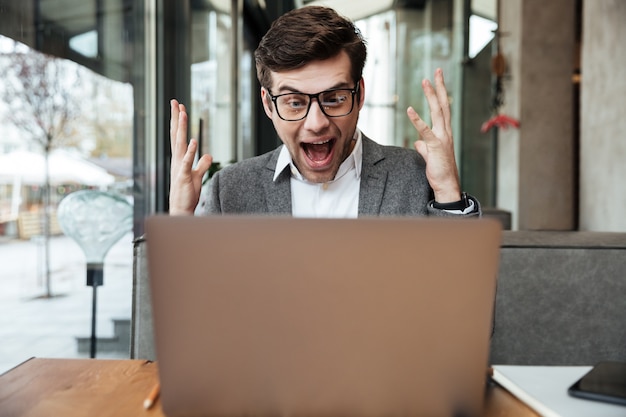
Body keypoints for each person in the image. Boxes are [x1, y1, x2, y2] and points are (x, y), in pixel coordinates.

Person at [169, 5, 480, 218]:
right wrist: (180, 223)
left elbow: (468, 306)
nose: (316, 123)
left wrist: (448, 191)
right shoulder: (230, 190)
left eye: (333, 98)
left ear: (359, 96)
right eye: (294, 102)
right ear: (267, 104)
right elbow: (201, 309)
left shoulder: (416, 176)